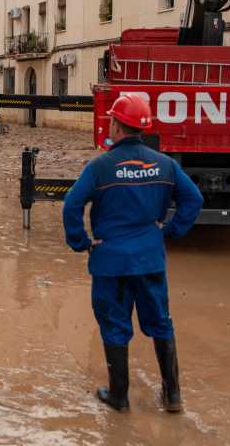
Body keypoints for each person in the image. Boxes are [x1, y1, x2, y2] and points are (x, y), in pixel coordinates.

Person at [62, 94, 203, 413]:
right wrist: (168, 231)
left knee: (114, 324)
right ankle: (172, 396)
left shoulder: (100, 166)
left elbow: (71, 204)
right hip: (149, 259)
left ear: (115, 124)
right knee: (160, 322)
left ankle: (119, 396)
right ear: (143, 127)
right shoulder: (165, 164)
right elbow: (193, 200)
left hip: (110, 263)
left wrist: (80, 241)